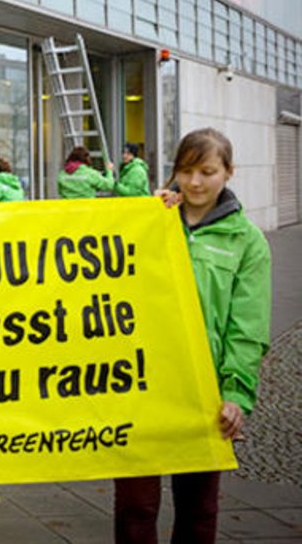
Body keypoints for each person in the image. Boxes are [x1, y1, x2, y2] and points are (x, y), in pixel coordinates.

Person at [115, 128, 271, 543]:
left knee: (198, 510)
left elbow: (248, 327)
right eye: (186, 171)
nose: (196, 182)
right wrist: (142, 218)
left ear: (228, 173)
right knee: (135, 507)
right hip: (140, 386)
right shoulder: (152, 221)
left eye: (207, 171)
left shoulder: (247, 242)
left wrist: (237, 392)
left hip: (203, 391)